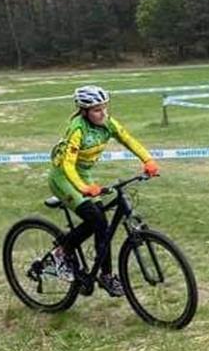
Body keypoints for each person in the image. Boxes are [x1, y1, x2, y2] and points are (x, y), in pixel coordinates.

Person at [48, 85, 158, 296]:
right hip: (63, 178)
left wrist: (148, 160)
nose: (103, 113)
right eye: (97, 110)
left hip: (84, 176)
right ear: (84, 111)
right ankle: (61, 254)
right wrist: (83, 188)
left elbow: (128, 139)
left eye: (104, 108)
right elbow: (68, 166)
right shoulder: (77, 129)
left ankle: (104, 275)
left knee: (99, 222)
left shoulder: (107, 124)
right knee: (97, 220)